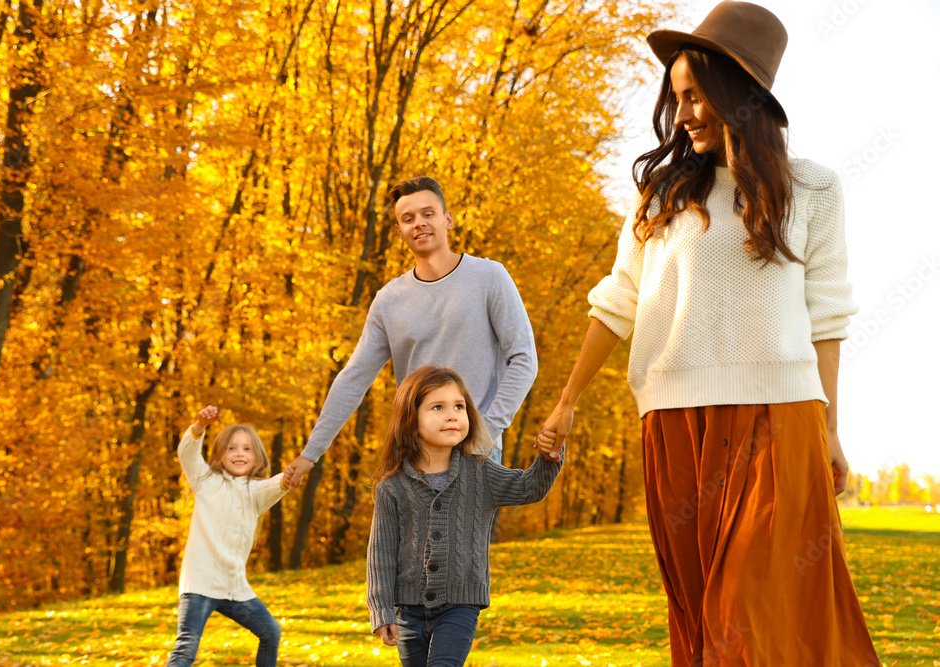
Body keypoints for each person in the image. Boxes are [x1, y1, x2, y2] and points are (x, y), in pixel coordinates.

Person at [535, 2, 881, 665]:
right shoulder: (660, 198)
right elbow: (618, 300)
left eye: (696, 94)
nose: (684, 111)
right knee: (698, 619)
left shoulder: (813, 188)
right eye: (677, 97)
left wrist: (831, 429)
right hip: (671, 422)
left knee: (744, 617)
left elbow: (828, 316)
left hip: (779, 422)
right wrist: (568, 397)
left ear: (735, 90)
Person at [282, 177, 537, 489]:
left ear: (448, 220)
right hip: (414, 454)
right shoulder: (389, 300)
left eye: (428, 214)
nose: (419, 223)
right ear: (400, 231)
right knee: (399, 540)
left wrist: (484, 432)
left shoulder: (489, 277)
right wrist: (312, 452)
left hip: (475, 455)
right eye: (408, 218)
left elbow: (524, 359)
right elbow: (354, 378)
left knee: (463, 540)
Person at [366, 365, 563, 666]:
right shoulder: (391, 488)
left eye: (459, 406)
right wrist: (381, 610)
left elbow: (528, 488)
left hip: (460, 605)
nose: (452, 415)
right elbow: (381, 555)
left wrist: (550, 455)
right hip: (408, 609)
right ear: (410, 418)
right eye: (438, 407)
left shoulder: (481, 472)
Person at [167, 405, 290, 667]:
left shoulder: (255, 492)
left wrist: (294, 475)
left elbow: (278, 484)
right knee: (186, 648)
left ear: (257, 457)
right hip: (199, 585)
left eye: (247, 449)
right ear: (219, 454)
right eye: (231, 448)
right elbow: (186, 452)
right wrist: (200, 425)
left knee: (271, 632)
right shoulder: (205, 480)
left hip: (235, 588)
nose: (239, 454)